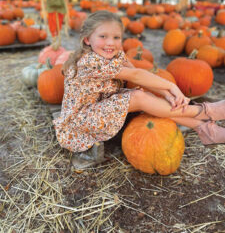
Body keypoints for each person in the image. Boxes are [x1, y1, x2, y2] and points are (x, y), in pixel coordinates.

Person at [53, 10, 225, 168]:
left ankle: (205, 130)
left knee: (145, 95)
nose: (110, 43)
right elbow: (135, 76)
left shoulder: (115, 54)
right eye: (103, 36)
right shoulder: (89, 62)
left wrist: (166, 93)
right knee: (138, 98)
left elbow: (139, 75)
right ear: (87, 39)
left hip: (99, 107)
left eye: (116, 37)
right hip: (80, 121)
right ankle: (205, 111)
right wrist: (171, 86)